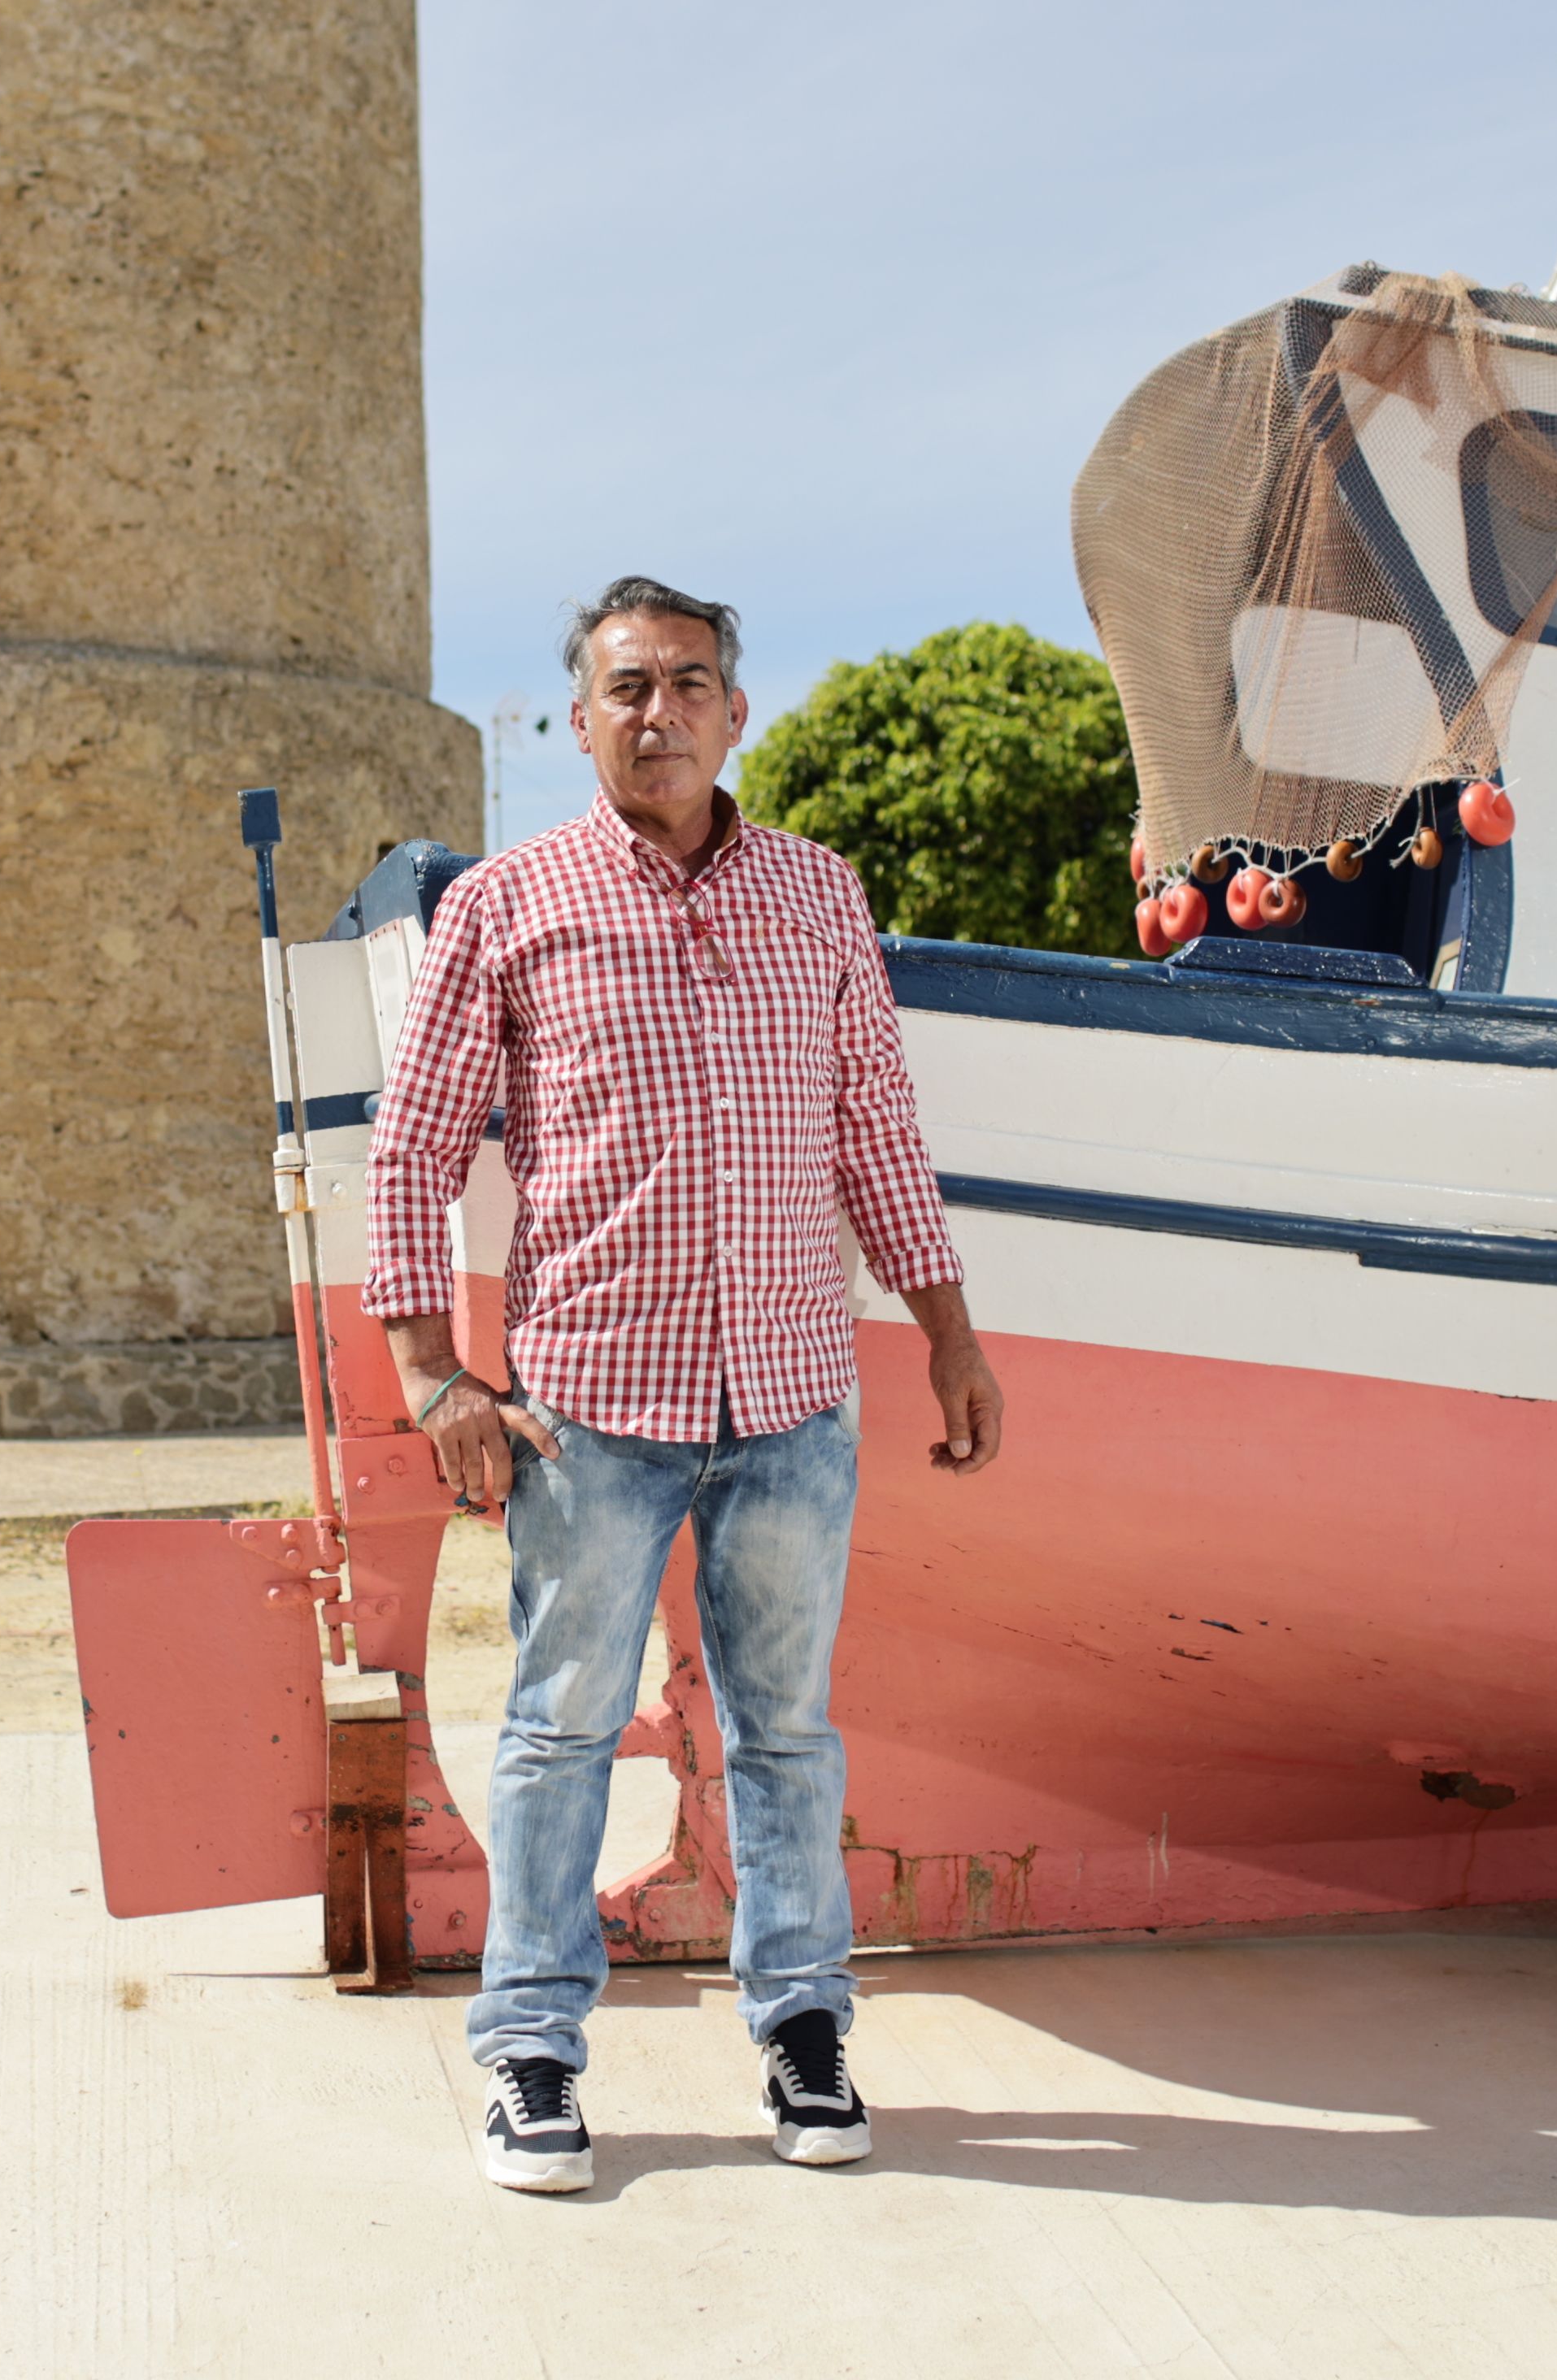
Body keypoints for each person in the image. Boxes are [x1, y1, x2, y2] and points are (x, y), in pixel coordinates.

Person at [364, 574, 1007, 2195]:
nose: (658, 711)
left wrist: (949, 1332)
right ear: (580, 720)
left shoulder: (818, 896)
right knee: (560, 1727)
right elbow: (415, 1149)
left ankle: (802, 2030)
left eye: (689, 684)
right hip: (592, 1414)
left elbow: (874, 1129)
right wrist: (432, 1375)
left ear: (738, 714)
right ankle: (528, 2050)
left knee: (787, 1734)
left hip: (796, 1399)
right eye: (627, 686)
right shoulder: (505, 909)